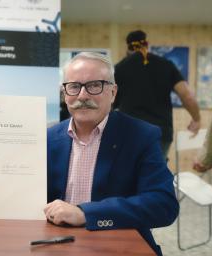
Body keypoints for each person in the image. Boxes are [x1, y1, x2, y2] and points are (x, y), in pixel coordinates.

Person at [45, 52, 179, 255]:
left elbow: (163, 205)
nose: (83, 96)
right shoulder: (48, 138)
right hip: (57, 245)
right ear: (65, 93)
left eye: (94, 85)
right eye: (74, 86)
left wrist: (86, 213)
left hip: (118, 245)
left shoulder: (141, 136)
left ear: (113, 92)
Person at [114, 30, 201, 159]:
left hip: (129, 131)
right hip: (160, 133)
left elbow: (110, 101)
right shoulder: (166, 65)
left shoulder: (119, 68)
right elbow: (187, 96)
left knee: (128, 173)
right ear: (147, 44)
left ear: (128, 47)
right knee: (155, 174)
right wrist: (196, 119)